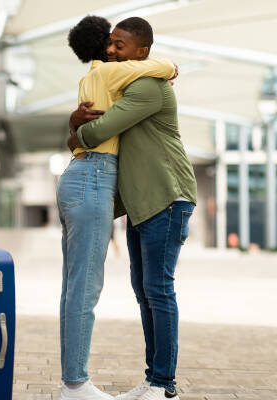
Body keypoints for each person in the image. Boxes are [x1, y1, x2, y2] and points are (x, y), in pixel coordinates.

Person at [69, 17, 198, 400]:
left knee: (158, 290)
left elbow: (95, 132)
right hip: (140, 204)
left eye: (120, 45)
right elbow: (83, 135)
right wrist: (76, 126)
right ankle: (153, 378)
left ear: (142, 52)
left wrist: (78, 126)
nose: (111, 50)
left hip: (166, 197)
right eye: (110, 43)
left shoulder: (148, 87)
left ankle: (164, 383)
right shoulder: (128, 80)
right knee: (145, 293)